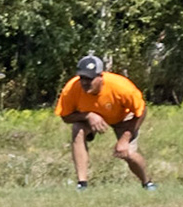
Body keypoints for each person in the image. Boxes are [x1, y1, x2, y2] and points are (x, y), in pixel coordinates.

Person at [57, 54, 155, 191]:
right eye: (82, 78)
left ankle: (147, 183)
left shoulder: (121, 87)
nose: (85, 83)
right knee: (77, 129)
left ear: (100, 76)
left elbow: (141, 111)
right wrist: (88, 115)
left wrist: (125, 139)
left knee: (129, 153)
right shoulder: (72, 88)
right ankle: (82, 184)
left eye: (89, 79)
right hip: (91, 118)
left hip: (124, 117)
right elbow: (65, 116)